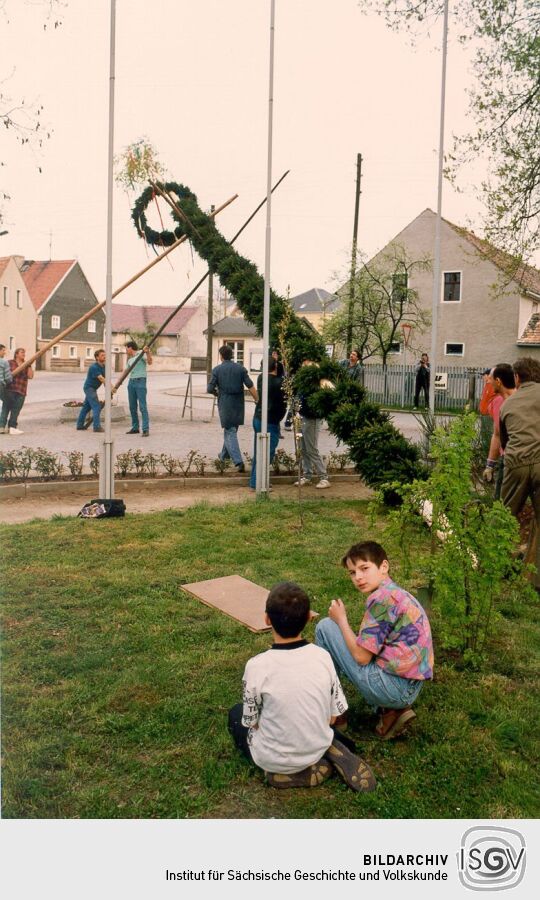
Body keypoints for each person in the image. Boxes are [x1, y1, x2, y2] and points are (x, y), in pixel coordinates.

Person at [228, 581, 376, 792]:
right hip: (317, 745)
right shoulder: (323, 657)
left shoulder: (256, 666)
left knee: (235, 714)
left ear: (267, 619)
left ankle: (283, 772)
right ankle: (330, 746)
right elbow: (335, 716)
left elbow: (250, 721)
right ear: (308, 618)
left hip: (271, 757)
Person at [315, 540, 433, 740]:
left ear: (384, 567)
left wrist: (341, 620)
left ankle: (336, 711)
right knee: (344, 636)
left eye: (364, 568)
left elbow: (361, 657)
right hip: (410, 686)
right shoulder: (398, 593)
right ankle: (391, 712)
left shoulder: (382, 599)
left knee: (325, 627)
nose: (358, 577)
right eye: (352, 572)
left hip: (393, 689)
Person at [499, 357, 540, 592]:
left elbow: (504, 441)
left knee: (504, 517)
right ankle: (536, 580)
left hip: (517, 463)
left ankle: (494, 567)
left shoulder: (508, 404)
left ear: (517, 377)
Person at [207, 344, 258, 472]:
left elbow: (209, 389)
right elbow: (250, 386)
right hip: (239, 404)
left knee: (230, 431)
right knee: (232, 430)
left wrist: (217, 393)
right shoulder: (241, 369)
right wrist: (258, 400)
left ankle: (238, 462)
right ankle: (224, 456)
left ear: (221, 356)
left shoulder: (217, 370)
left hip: (225, 403)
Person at [249, 355, 287, 490]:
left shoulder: (261, 378)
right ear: (275, 366)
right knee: (267, 453)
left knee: (258, 450)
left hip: (258, 417)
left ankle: (254, 481)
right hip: (270, 421)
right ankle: (259, 483)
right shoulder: (279, 383)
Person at [294, 358, 330, 489]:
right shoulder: (305, 384)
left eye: (306, 367)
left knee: (311, 449)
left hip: (312, 419)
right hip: (302, 417)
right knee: (303, 449)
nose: (303, 370)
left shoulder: (316, 385)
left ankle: (324, 477)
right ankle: (307, 475)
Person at [482, 364, 515, 500]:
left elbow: (498, 434)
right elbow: (497, 434)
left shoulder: (504, 401)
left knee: (503, 504)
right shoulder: (499, 402)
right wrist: (490, 465)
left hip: (513, 460)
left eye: (490, 378)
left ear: (498, 381)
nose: (487, 381)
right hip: (513, 459)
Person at [0, 347, 34, 434]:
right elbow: (5, 374)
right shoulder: (9, 362)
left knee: (16, 410)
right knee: (6, 408)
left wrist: (29, 365)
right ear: (16, 354)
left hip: (21, 390)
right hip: (10, 389)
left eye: (24, 352)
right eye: (22, 352)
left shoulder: (26, 364)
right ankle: (1, 427)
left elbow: (30, 376)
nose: (24, 354)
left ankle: (12, 427)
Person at [123, 340, 152, 436]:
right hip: (131, 382)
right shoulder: (129, 360)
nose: (126, 350)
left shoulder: (141, 353)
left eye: (126, 348)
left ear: (130, 347)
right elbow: (126, 372)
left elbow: (150, 362)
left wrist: (147, 352)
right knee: (132, 407)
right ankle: (135, 428)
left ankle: (145, 429)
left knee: (142, 406)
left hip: (140, 381)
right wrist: (117, 384)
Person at [76, 349, 106, 432]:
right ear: (97, 357)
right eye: (102, 355)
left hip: (93, 389)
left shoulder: (104, 366)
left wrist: (109, 390)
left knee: (86, 407)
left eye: (105, 355)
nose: (104, 357)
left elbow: (105, 380)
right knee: (96, 406)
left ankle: (79, 425)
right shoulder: (94, 367)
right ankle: (96, 427)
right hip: (89, 388)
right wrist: (112, 387)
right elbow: (101, 378)